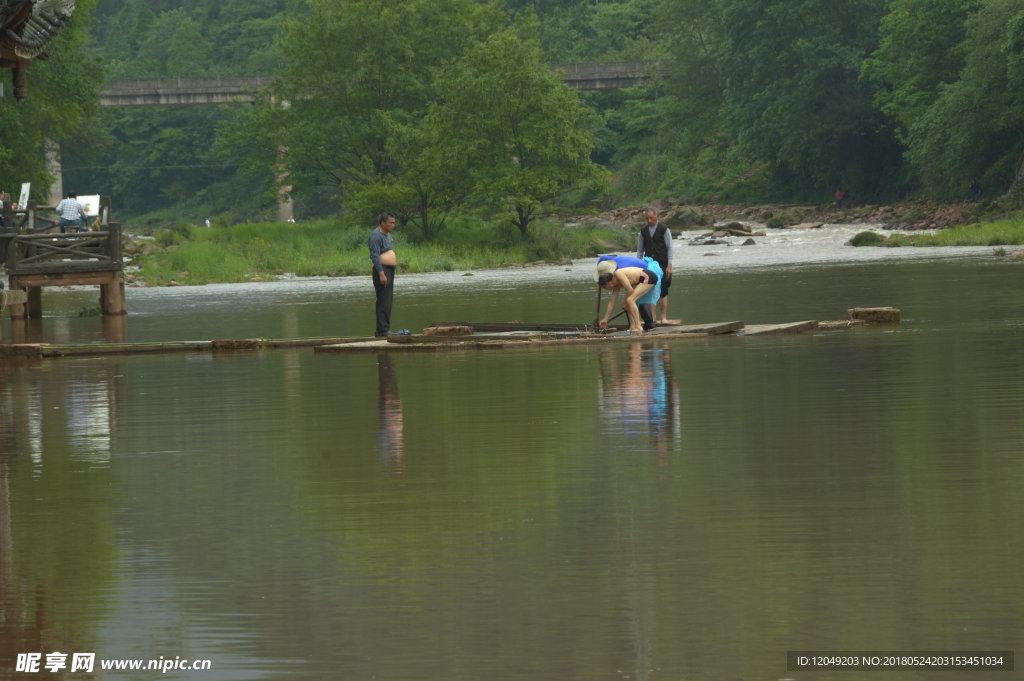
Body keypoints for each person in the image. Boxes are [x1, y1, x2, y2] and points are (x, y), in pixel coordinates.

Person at [595, 254, 662, 330]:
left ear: (608, 283)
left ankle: (639, 326)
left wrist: (624, 302)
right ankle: (632, 327)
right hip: (641, 280)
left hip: (648, 276)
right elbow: (612, 302)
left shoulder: (618, 273)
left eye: (605, 287)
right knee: (627, 303)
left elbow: (630, 290)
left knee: (630, 300)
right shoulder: (616, 285)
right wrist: (605, 319)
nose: (606, 289)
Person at [636, 207, 673, 324]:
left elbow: (669, 248)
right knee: (651, 290)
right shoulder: (643, 231)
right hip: (649, 264)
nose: (649, 221)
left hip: (662, 263)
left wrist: (669, 265)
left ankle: (663, 317)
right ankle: (653, 318)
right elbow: (640, 251)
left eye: (651, 218)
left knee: (663, 291)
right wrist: (638, 265)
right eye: (647, 218)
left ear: (657, 217)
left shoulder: (664, 229)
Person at [368, 211, 398, 337]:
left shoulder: (388, 235)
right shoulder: (375, 236)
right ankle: (382, 330)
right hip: (382, 270)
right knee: (383, 300)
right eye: (390, 223)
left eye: (394, 223)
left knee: (388, 300)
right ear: (383, 223)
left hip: (389, 270)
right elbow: (375, 256)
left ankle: (384, 329)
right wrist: (381, 273)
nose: (393, 225)